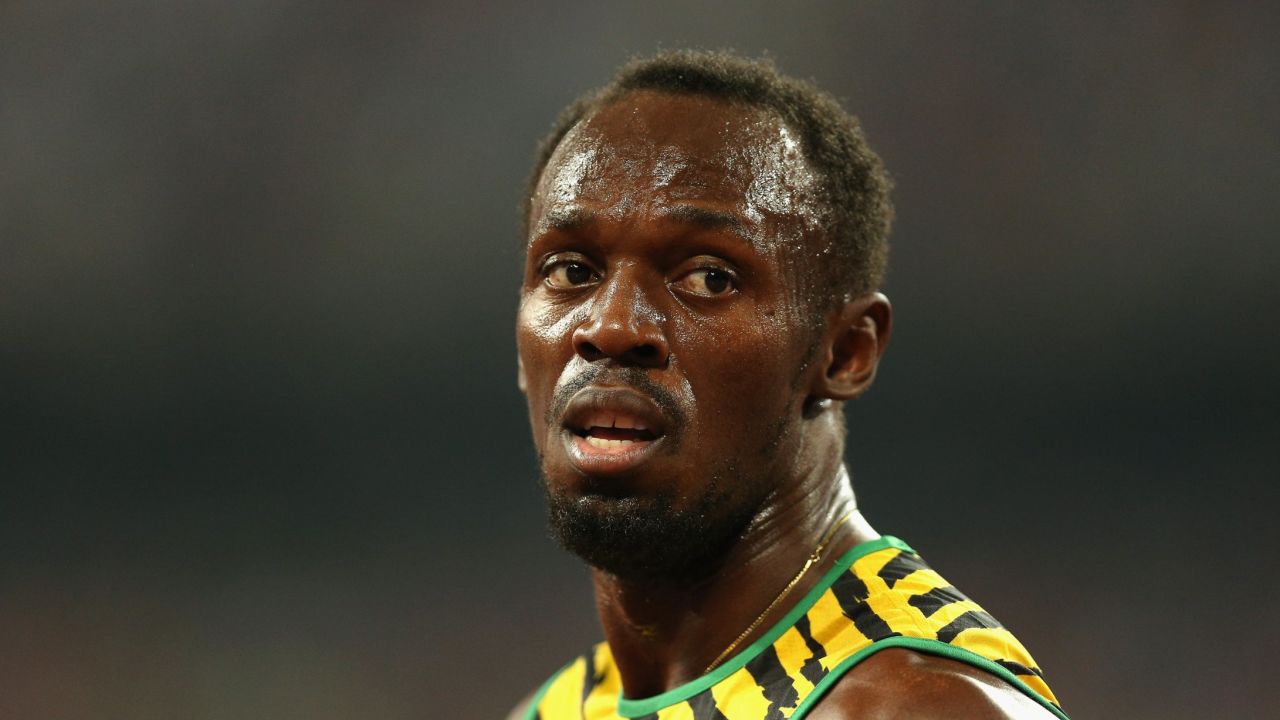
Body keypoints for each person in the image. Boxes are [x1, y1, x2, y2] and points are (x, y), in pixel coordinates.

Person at [510, 50, 1067, 720]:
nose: (612, 324)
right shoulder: (554, 712)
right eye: (570, 271)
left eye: (709, 277)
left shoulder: (920, 708)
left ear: (845, 352)